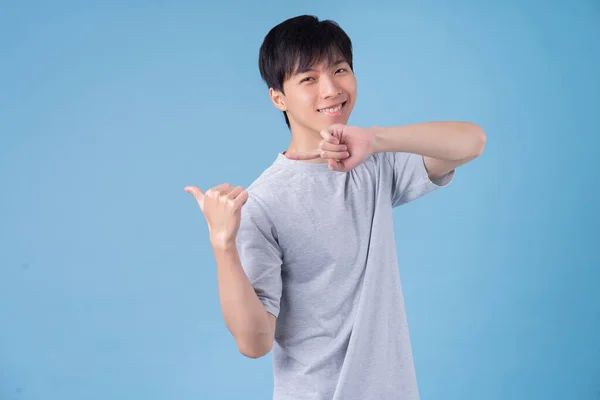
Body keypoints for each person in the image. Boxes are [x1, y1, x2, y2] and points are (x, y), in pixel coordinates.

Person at [185, 14, 486, 400]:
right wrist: (223, 246)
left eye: (340, 70)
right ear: (278, 97)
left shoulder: (375, 162)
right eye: (308, 78)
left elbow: (472, 142)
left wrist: (375, 140)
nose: (330, 89)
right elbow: (254, 343)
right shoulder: (263, 203)